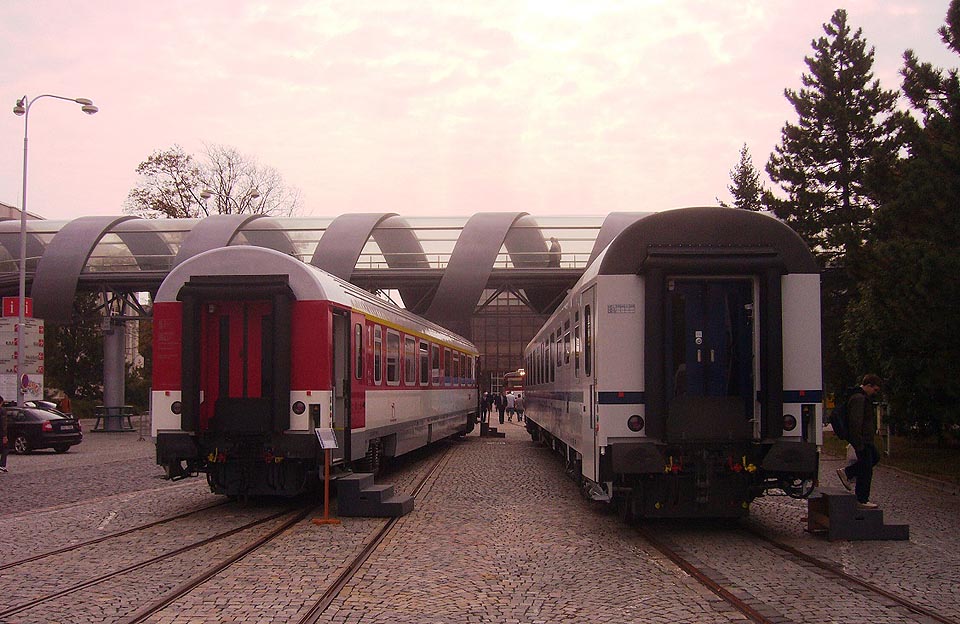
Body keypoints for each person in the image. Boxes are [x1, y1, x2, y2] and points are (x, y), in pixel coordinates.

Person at [836, 374, 883, 509]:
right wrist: (858, 444)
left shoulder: (861, 397)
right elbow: (855, 423)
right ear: (868, 386)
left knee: (873, 458)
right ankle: (861, 499)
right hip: (862, 440)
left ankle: (848, 472)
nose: (875, 393)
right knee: (866, 469)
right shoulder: (859, 399)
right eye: (875, 390)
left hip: (866, 439)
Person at [0, 394, 8, 473]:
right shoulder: (2, 411)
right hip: (1, 434)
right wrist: (4, 435)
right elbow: (3, 424)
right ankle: (2, 465)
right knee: (5, 449)